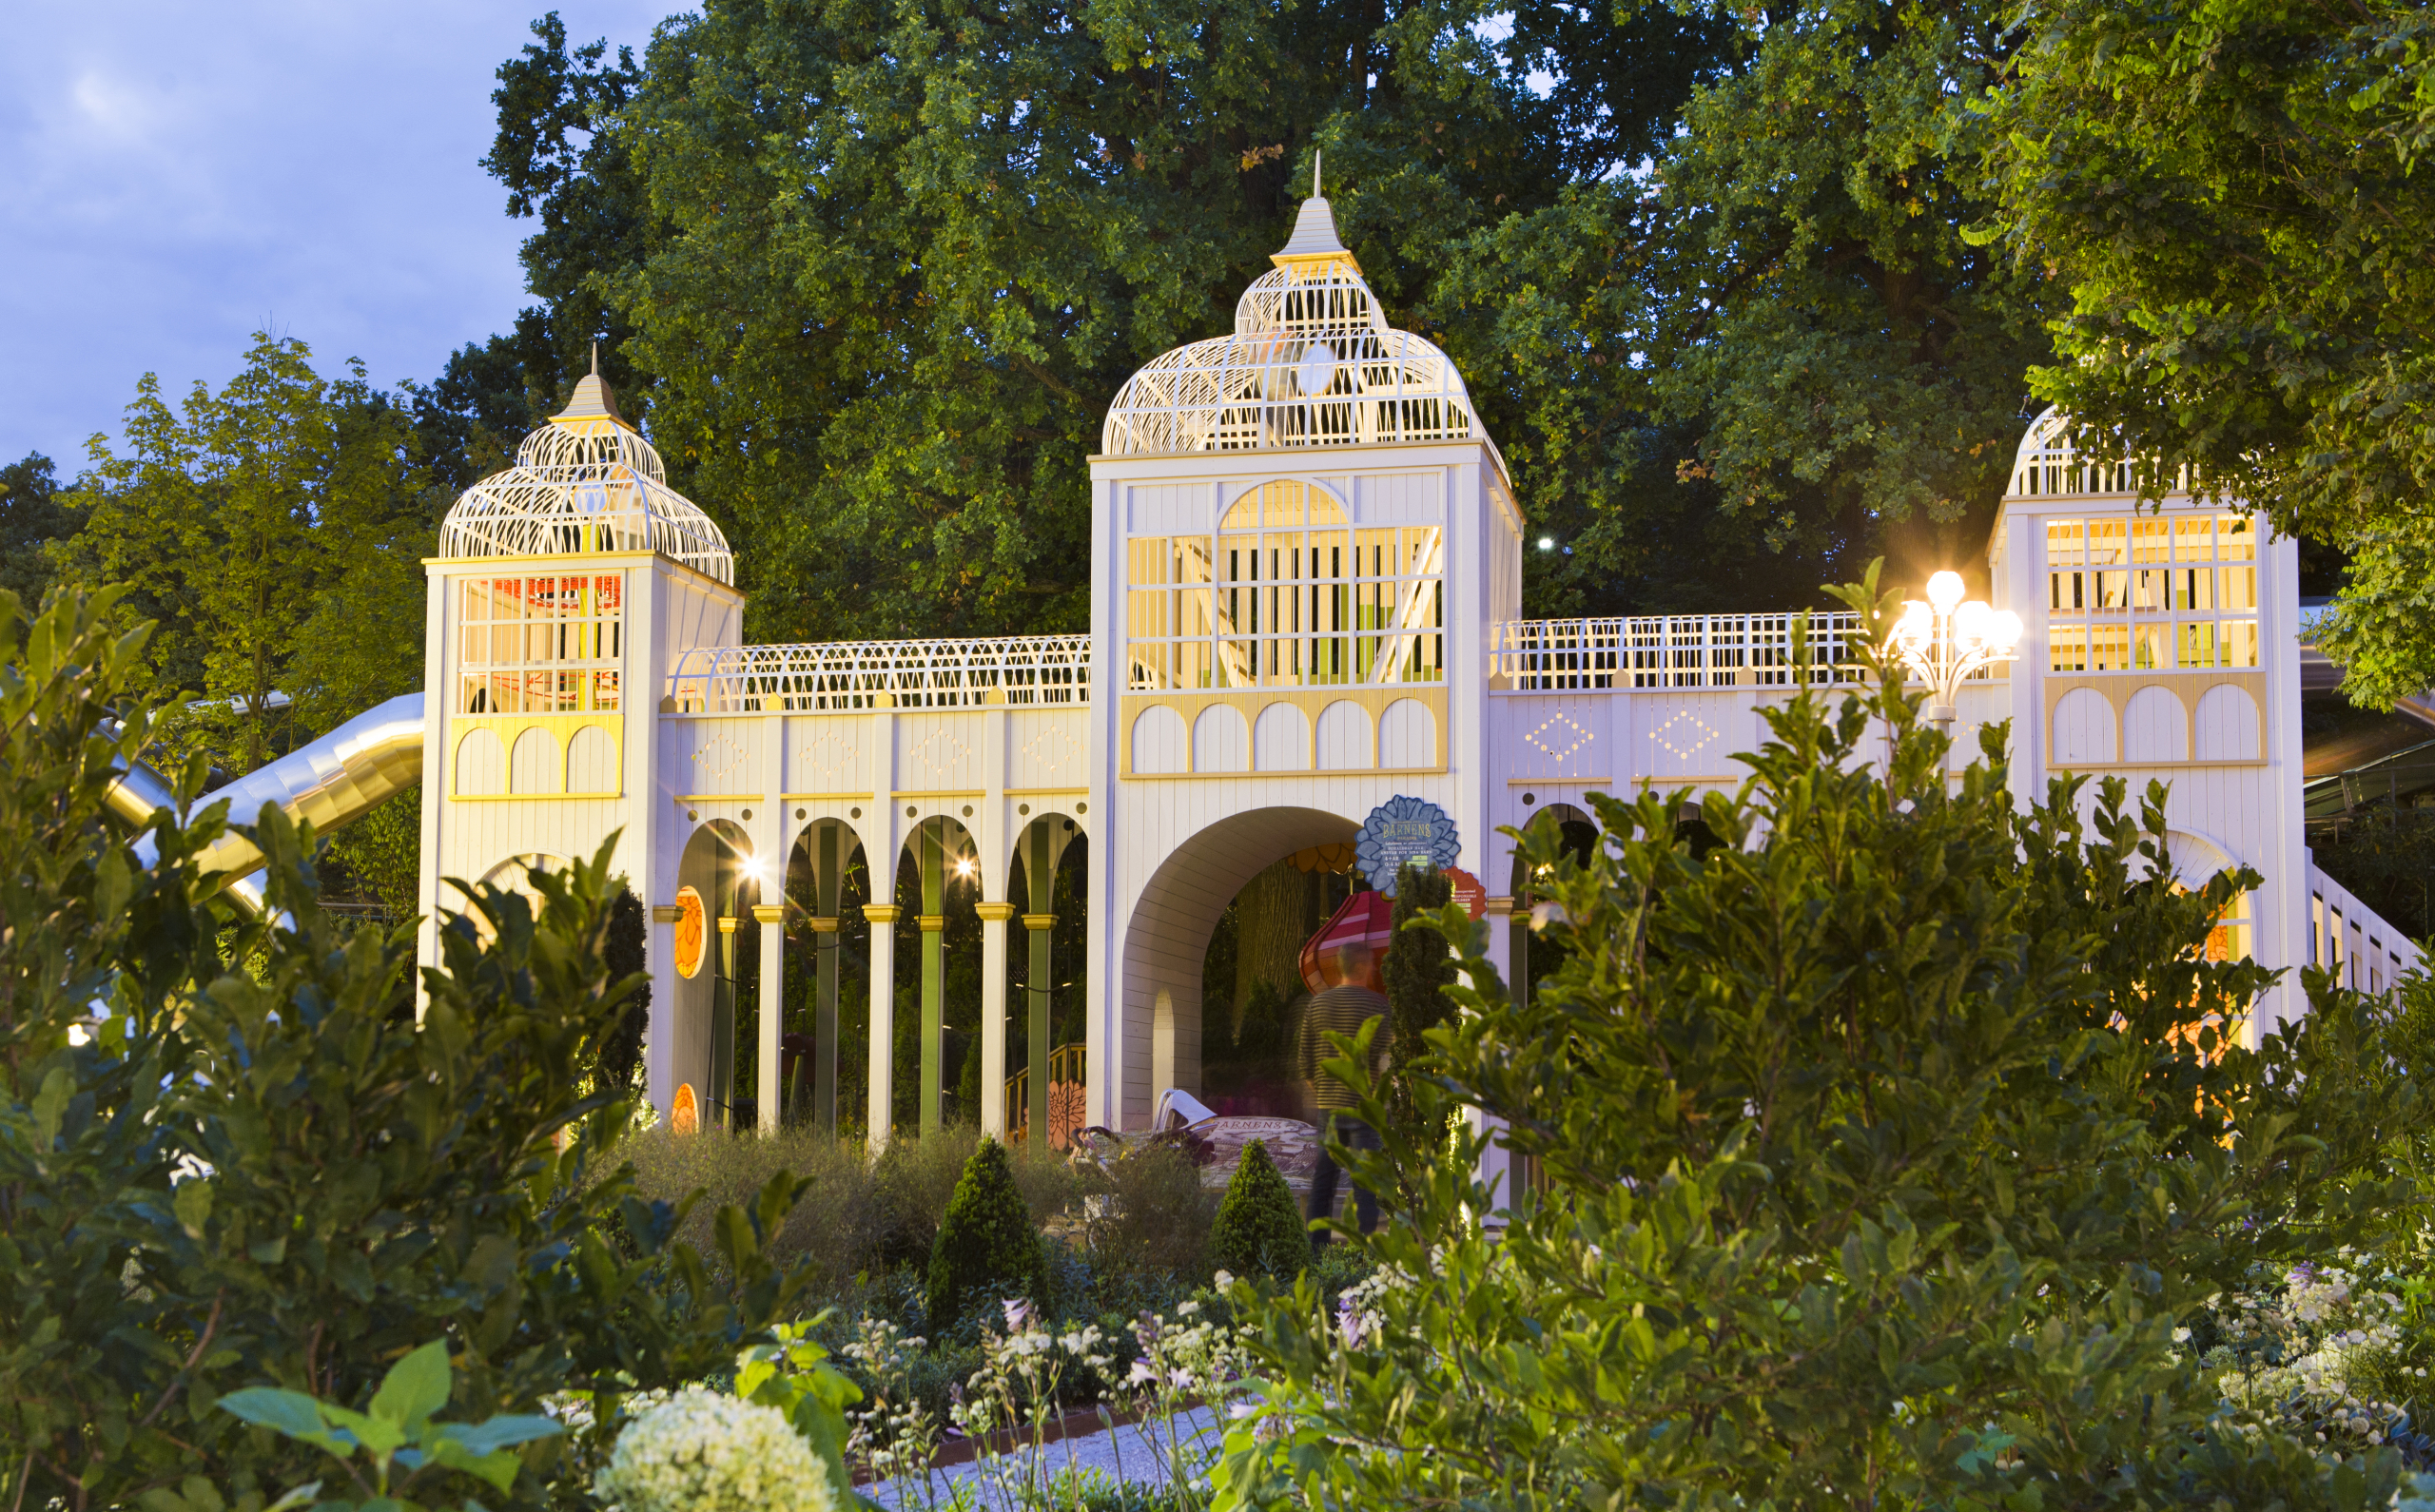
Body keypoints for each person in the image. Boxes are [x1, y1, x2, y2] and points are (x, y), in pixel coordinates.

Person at [1299, 942, 1392, 1250]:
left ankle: (1316, 1251)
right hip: (1366, 1110)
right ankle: (1364, 1255)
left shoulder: (1317, 1006)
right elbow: (1387, 1061)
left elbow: (1306, 1066)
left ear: (1340, 967)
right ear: (1363, 967)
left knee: (1322, 1183)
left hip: (1330, 1109)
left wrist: (1327, 1093)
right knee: (1366, 1185)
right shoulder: (1379, 1007)